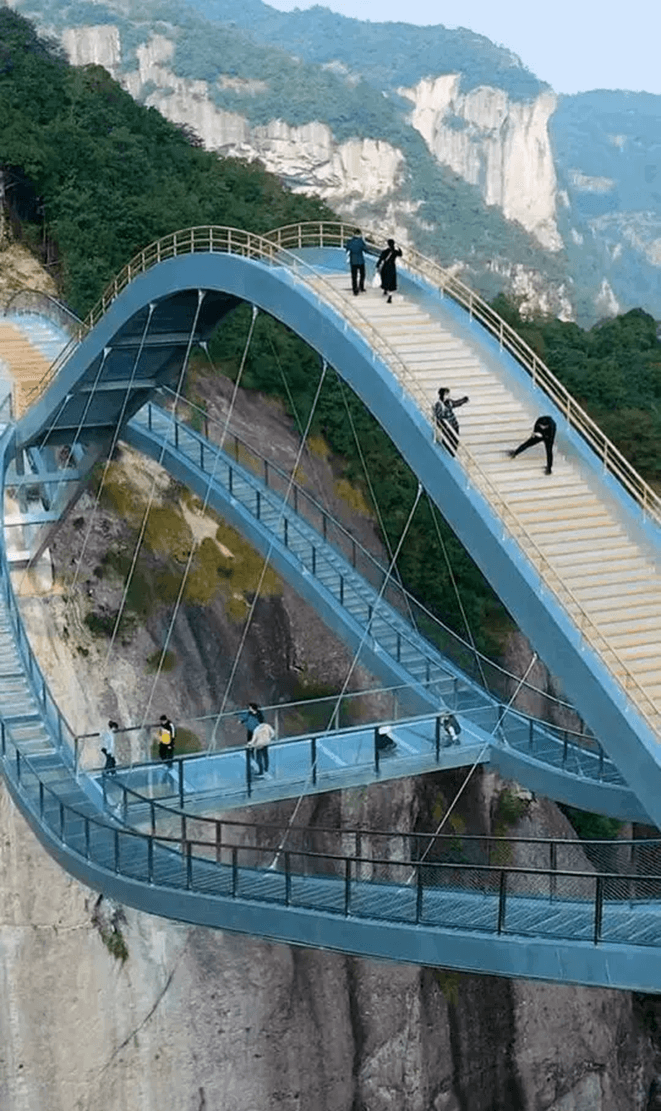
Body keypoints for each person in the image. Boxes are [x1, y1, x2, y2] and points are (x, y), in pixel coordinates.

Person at [433, 387, 469, 456]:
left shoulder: (449, 402)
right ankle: (448, 453)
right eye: (446, 394)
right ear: (442, 395)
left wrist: (463, 400)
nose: (448, 396)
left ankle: (453, 453)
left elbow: (456, 403)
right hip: (447, 427)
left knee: (455, 440)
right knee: (448, 441)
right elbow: (438, 416)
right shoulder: (439, 404)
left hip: (454, 425)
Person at [344, 229, 371, 296]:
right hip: (361, 261)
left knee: (354, 277)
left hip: (353, 261)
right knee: (362, 275)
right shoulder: (361, 242)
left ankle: (355, 290)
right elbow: (366, 250)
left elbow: (347, 249)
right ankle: (361, 287)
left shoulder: (350, 242)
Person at [377, 238, 402, 303]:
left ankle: (385, 290)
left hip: (386, 266)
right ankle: (390, 297)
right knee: (391, 281)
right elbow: (400, 254)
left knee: (384, 278)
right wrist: (398, 248)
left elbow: (381, 258)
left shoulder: (385, 251)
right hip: (392, 267)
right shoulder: (395, 252)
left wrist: (378, 265)